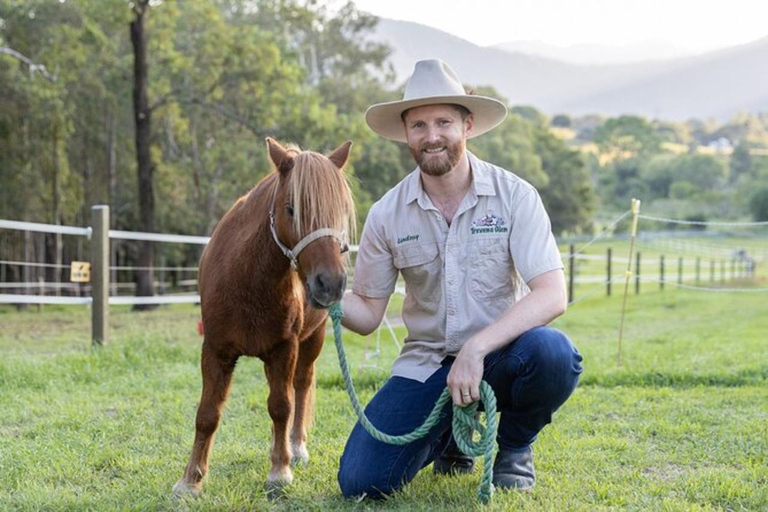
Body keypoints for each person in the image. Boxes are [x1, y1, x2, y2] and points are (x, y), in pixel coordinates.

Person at [337, 59, 583, 498]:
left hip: (501, 355)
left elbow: (552, 294)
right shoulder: (386, 214)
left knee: (553, 353)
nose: (432, 136)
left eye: (444, 122)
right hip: (426, 364)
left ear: (467, 126)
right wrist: (320, 289)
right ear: (406, 134)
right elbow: (368, 314)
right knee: (361, 482)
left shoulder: (515, 196)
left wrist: (477, 347)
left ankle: (514, 446)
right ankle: (449, 434)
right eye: (419, 126)